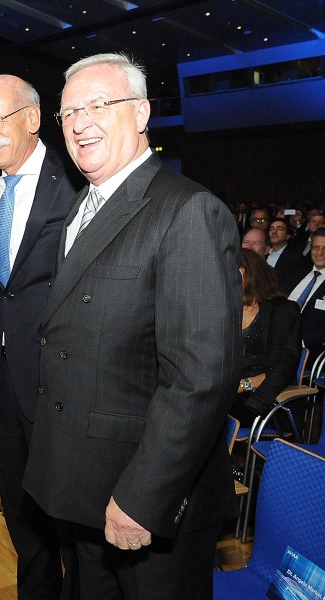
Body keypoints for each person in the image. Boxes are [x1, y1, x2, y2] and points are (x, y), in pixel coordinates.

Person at [24, 53, 241, 600]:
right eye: (67, 111)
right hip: (81, 487)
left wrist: (143, 497)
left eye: (98, 104)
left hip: (146, 502)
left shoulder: (187, 210)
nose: (78, 122)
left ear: (142, 112)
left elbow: (200, 379)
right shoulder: (82, 208)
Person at [0, 73, 78, 599]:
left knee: (71, 515)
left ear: (33, 119)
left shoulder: (78, 185)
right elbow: (0, 293)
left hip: (61, 381)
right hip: (4, 383)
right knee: (18, 505)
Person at [230, 249, 301, 425]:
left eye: (232, 270)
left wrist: (245, 385)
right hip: (223, 392)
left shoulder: (283, 311)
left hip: (261, 398)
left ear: (250, 272)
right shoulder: (226, 308)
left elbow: (285, 365)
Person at [284, 229, 325, 353]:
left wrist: (296, 341)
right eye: (315, 247)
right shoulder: (295, 272)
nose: (319, 252)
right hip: (275, 339)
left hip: (306, 351)